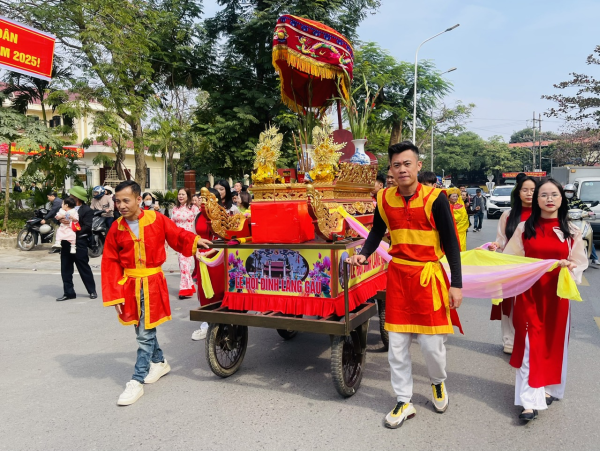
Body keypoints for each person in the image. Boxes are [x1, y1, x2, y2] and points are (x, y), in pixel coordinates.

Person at [346, 141, 463, 429]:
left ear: (418, 166)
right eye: (396, 165)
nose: (402, 169)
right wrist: (363, 255)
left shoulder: (436, 199)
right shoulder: (384, 198)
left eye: (407, 163)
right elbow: (376, 231)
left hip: (428, 278)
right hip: (398, 278)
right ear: (391, 169)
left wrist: (456, 284)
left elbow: (451, 244)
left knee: (432, 346)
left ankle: (437, 382)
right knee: (397, 346)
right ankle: (403, 399)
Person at [101, 180, 210, 406]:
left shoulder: (157, 219)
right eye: (117, 201)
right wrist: (115, 294)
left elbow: (177, 235)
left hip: (152, 283)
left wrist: (196, 241)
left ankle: (136, 380)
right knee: (143, 329)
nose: (120, 205)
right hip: (129, 285)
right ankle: (159, 362)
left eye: (125, 200)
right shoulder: (116, 227)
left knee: (143, 333)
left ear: (139, 200)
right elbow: (110, 261)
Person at [503, 178, 587, 422]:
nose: (549, 199)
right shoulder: (523, 229)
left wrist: (570, 266)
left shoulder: (572, 231)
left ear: (562, 199)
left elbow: (580, 263)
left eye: (554, 195)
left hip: (557, 296)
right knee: (530, 345)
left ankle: (550, 388)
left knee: (553, 343)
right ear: (536, 199)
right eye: (543, 195)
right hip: (529, 294)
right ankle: (528, 402)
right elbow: (512, 261)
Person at [488, 176, 536, 354]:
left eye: (533, 190)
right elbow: (501, 239)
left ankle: (529, 339)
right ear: (518, 192)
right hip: (511, 265)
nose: (529, 193)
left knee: (530, 305)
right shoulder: (507, 215)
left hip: (534, 267)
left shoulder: (542, 215)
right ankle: (509, 340)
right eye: (525, 190)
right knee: (509, 304)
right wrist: (496, 245)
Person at [191, 188, 225, 341]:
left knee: (218, 290)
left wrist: (210, 252)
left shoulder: (222, 216)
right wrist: (195, 251)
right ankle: (206, 323)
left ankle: (222, 321)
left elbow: (226, 239)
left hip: (217, 258)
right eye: (202, 199)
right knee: (204, 290)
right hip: (200, 257)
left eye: (207, 199)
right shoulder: (198, 216)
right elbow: (194, 236)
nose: (203, 202)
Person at [56, 186, 97, 302]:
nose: (69, 197)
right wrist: (61, 220)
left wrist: (72, 228)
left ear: (77, 198)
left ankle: (92, 290)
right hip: (65, 242)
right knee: (65, 268)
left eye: (72, 196)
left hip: (79, 242)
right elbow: (56, 217)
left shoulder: (87, 210)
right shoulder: (65, 206)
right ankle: (69, 293)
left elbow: (87, 227)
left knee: (84, 268)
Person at [172, 188, 200, 299]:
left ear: (188, 196)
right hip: (178, 239)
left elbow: (198, 223)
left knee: (185, 263)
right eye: (179, 194)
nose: (181, 196)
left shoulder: (193, 208)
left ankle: (185, 289)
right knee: (183, 264)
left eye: (183, 194)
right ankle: (189, 286)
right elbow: (171, 224)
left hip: (190, 238)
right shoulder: (175, 209)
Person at [564, 184, 599, 264]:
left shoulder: (577, 200)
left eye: (571, 192)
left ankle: (594, 258)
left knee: (588, 237)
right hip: (567, 222)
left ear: (574, 192)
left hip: (579, 222)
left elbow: (584, 207)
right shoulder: (561, 201)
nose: (569, 193)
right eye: (567, 191)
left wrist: (590, 212)